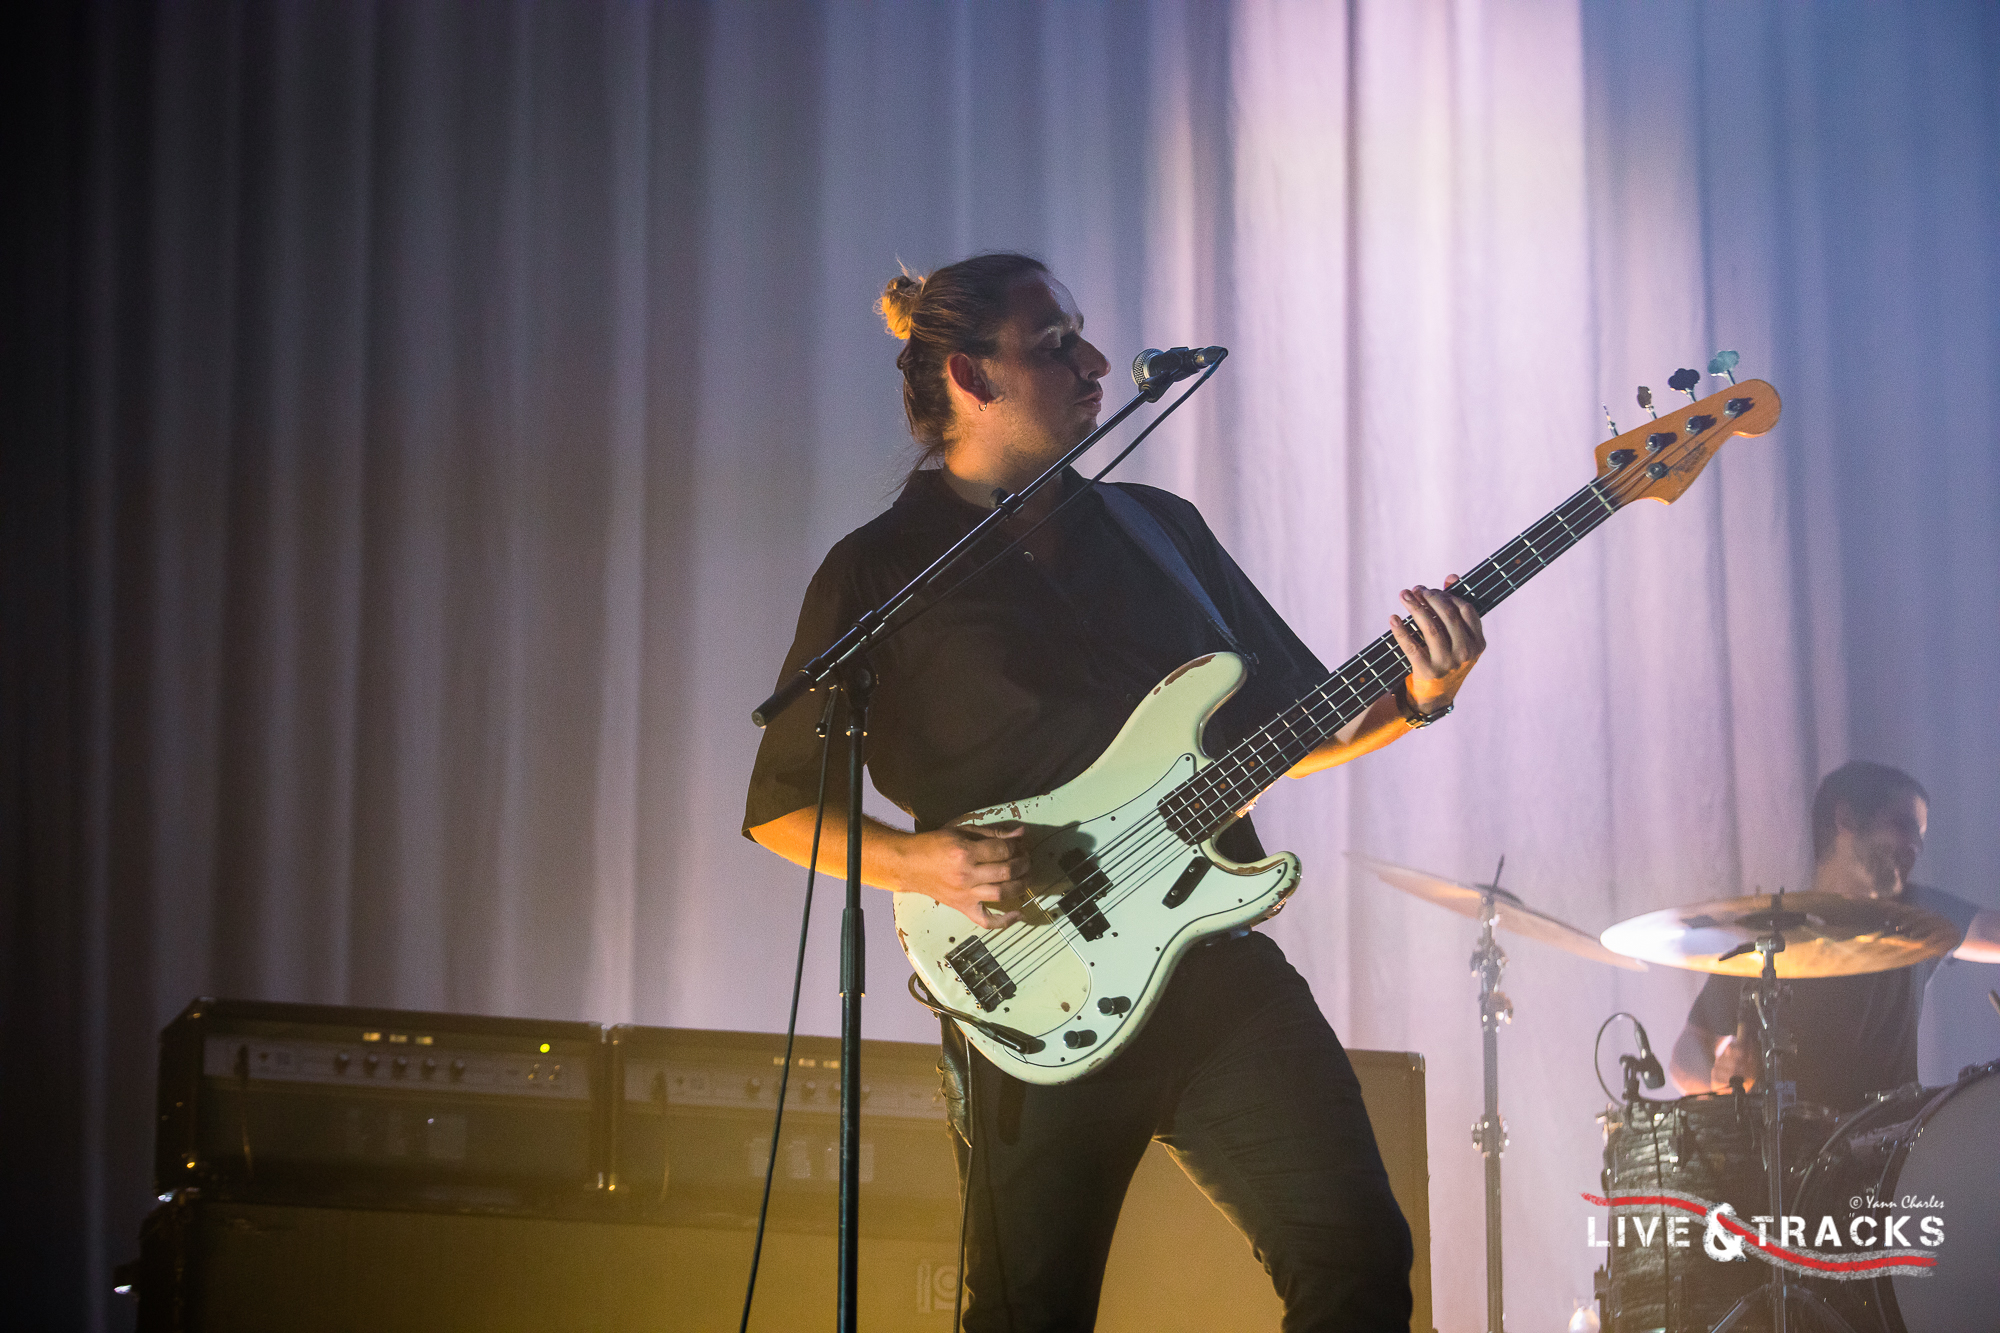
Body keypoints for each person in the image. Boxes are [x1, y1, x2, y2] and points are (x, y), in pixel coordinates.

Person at [742, 252, 1485, 1331]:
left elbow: (1295, 727)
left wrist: (1419, 695)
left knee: (1358, 1259)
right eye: (1055, 345)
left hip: (1211, 971)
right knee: (1027, 1315)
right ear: (970, 376)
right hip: (1031, 990)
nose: (1095, 362)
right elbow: (780, 807)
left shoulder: (1156, 529)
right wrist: (922, 862)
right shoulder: (879, 573)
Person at [1668, 760, 2000, 1112]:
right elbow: (1686, 1055)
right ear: (1847, 819)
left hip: (1897, 1140)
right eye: (1904, 825)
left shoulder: (1917, 915)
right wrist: (1719, 1082)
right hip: (1789, 1142)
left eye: (1920, 833)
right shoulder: (1767, 935)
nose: (1916, 845)